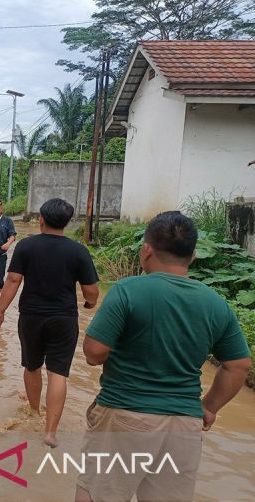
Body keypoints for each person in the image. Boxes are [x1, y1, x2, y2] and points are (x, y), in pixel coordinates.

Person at [76, 211, 251, 502]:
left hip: (125, 414)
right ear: (193, 256)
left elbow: (94, 353)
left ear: (146, 249)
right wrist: (208, 407)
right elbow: (239, 365)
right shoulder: (215, 303)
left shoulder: (127, 291)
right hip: (184, 423)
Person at [0, 198, 99, 447]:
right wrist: (89, 305)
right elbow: (91, 291)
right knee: (58, 373)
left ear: (41, 220)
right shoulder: (78, 251)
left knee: (32, 366)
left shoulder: (27, 246)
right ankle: (50, 432)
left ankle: (34, 412)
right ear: (68, 223)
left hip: (31, 317)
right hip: (64, 318)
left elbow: (14, 281)